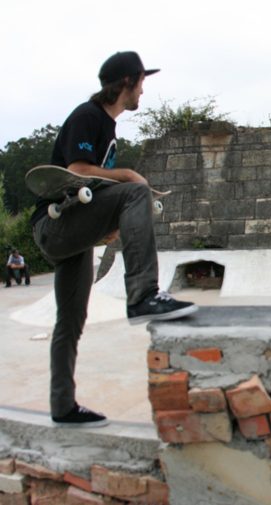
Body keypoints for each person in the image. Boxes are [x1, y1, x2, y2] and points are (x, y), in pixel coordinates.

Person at [31, 51, 198, 428]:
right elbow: (76, 170)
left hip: (74, 231)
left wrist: (109, 225)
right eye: (141, 83)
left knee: (70, 321)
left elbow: (93, 191)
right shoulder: (87, 116)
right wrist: (128, 176)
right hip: (52, 225)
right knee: (136, 190)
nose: (143, 92)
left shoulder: (109, 128)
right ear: (127, 82)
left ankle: (63, 405)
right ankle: (142, 296)